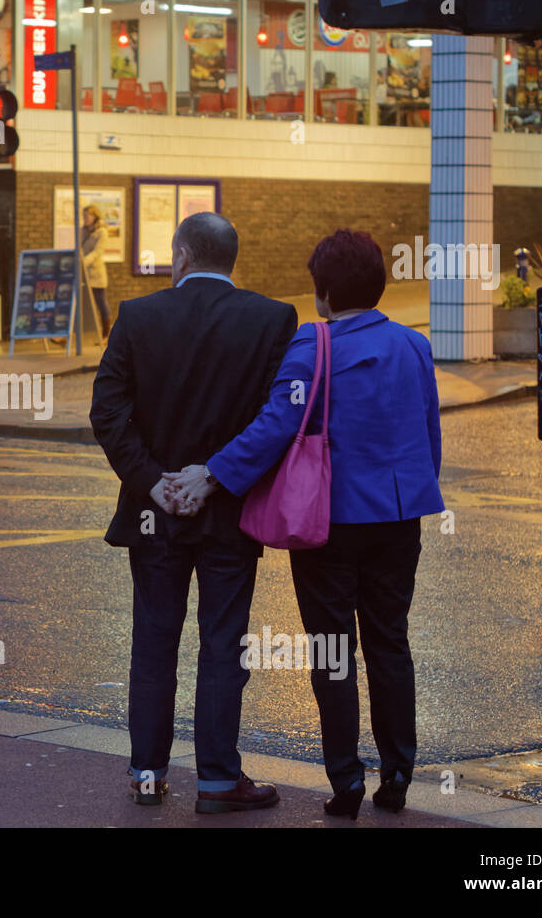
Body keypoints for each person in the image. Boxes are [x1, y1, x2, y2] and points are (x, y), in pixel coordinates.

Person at [165, 228, 443, 819]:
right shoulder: (413, 345)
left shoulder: (311, 345)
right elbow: (428, 433)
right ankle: (397, 774)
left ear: (320, 294)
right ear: (380, 285)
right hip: (399, 515)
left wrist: (213, 474)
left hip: (327, 521)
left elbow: (274, 427)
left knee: (333, 646)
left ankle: (345, 782)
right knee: (390, 641)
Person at [89, 211, 297, 814]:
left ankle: (148, 775)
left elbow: (107, 415)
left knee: (154, 641)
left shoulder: (137, 316)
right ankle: (217, 781)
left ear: (180, 256)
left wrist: (155, 484)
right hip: (227, 511)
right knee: (222, 645)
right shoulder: (271, 319)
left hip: (155, 515)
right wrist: (213, 478)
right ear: (231, 260)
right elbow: (275, 420)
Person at [81, 205, 111, 338]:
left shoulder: (102, 232)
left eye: (87, 216)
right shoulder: (82, 231)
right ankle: (67, 335)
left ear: (94, 217)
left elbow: (98, 252)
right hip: (83, 273)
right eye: (83, 216)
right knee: (78, 303)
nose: (85, 218)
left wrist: (83, 262)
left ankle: (106, 333)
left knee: (100, 302)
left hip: (96, 274)